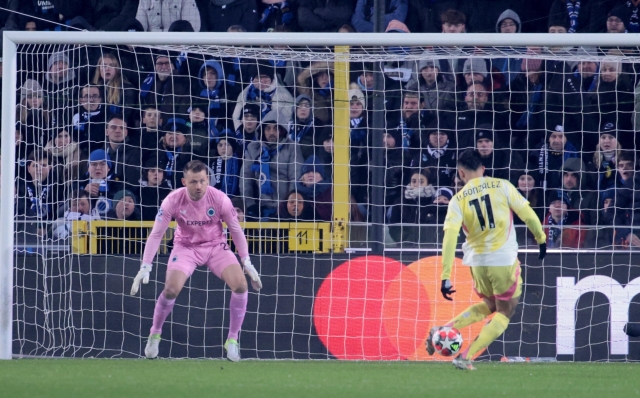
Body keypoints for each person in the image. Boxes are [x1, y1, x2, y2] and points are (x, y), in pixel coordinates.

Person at [130, 160, 263, 362]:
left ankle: (232, 340)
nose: (198, 186)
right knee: (171, 289)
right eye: (193, 182)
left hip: (215, 246)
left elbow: (235, 230)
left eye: (202, 181)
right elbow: (157, 234)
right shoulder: (172, 200)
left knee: (241, 285)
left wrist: (246, 261)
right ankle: (154, 334)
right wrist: (146, 265)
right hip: (186, 247)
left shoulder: (220, 199)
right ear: (184, 181)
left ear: (208, 180)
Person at [427, 149, 546, 370]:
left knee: (490, 304)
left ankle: (445, 329)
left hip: (476, 263)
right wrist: (541, 238)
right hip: (502, 259)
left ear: (461, 174)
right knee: (505, 311)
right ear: (483, 169)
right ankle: (465, 357)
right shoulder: (502, 185)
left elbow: (450, 237)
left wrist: (445, 275)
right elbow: (527, 213)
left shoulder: (457, 200)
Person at [241, 110, 302, 220]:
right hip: (260, 207)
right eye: (268, 129)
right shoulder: (253, 148)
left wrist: (290, 204)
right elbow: (245, 178)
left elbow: (295, 178)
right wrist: (250, 204)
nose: (271, 132)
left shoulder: (292, 147)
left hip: (285, 208)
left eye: (275, 128)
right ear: (262, 130)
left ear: (282, 130)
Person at [138, 157, 173, 221]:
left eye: (159, 171)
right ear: (146, 174)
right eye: (152, 171)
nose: (156, 174)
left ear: (163, 175)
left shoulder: (169, 194)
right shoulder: (139, 192)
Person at [135, 0, 201, 32]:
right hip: (151, 49)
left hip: (176, 48)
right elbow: (140, 26)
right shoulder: (144, 1)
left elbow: (193, 27)